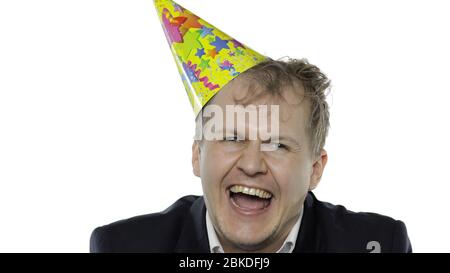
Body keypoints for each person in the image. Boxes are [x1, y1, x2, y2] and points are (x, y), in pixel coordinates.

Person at [90, 0, 411, 253]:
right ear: (197, 154)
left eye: (278, 144)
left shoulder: (378, 244)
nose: (252, 164)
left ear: (315, 169)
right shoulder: (123, 246)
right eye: (231, 137)